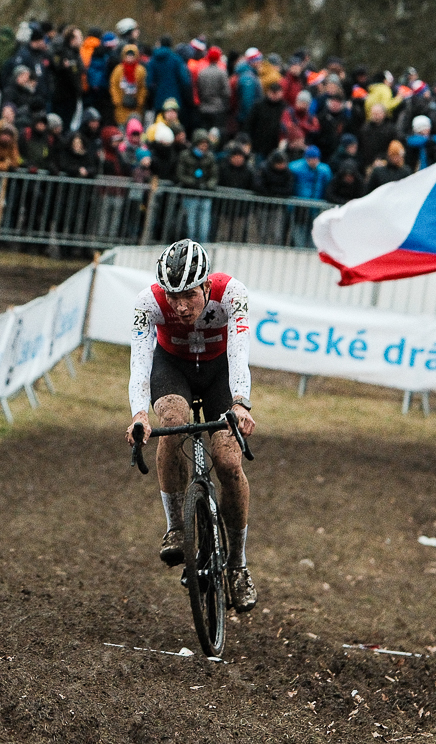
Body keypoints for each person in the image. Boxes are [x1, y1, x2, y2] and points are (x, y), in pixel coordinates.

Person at [125, 239, 258, 613]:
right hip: (173, 370)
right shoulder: (147, 303)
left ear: (206, 286)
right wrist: (139, 415)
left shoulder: (231, 294)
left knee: (228, 463)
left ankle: (238, 565)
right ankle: (176, 528)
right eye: (173, 296)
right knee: (172, 422)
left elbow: (240, 351)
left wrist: (240, 402)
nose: (180, 306)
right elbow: (140, 363)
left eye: (188, 295)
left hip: (220, 375)